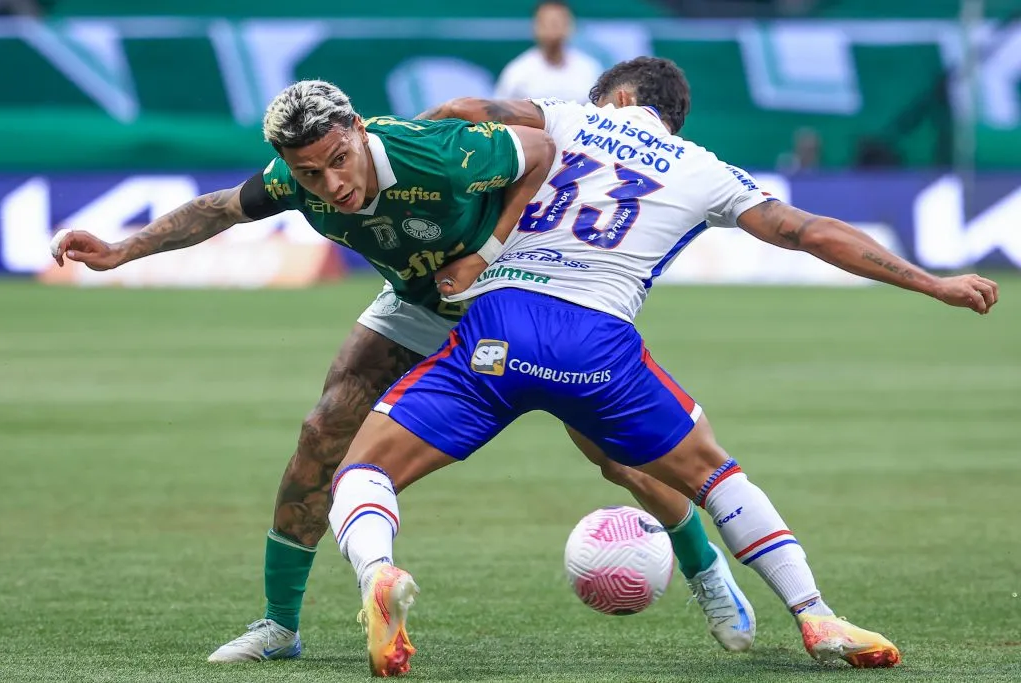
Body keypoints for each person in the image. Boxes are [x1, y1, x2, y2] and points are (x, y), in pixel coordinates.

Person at [329, 56, 1000, 677]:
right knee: (716, 474)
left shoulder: (567, 115)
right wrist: (932, 282)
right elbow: (808, 232)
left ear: (618, 96)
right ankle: (816, 614)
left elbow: (461, 109)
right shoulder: (704, 167)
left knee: (365, 470)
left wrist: (398, 154)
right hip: (596, 345)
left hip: (498, 325)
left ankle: (378, 574)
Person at [49, 78, 754, 662]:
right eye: (309, 174)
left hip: (512, 294)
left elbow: (538, 150)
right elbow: (219, 210)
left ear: (358, 129)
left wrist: (488, 248)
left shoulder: (436, 157)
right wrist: (120, 251)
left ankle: (708, 570)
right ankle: (279, 626)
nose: (330, 184)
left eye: (337, 161)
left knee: (617, 458)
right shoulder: (294, 178)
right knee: (321, 431)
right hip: (417, 300)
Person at [494, 0, 602, 104]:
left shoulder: (589, 69)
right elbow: (498, 112)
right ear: (535, 26)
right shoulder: (518, 71)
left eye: (559, 21)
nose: (553, 27)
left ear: (571, 25)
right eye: (547, 22)